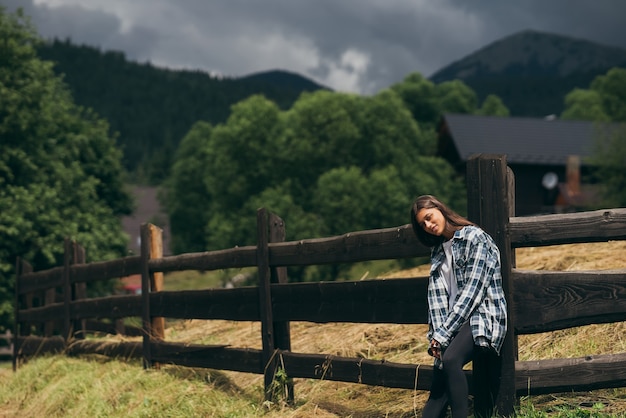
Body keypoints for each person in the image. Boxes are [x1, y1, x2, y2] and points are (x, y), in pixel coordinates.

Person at [410, 195, 507, 418]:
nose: (428, 225)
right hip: (451, 326)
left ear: (439, 208)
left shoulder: (475, 237)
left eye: (429, 217)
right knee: (437, 391)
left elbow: (473, 292)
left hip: (481, 317)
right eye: (423, 225)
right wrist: (436, 335)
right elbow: (437, 302)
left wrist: (443, 335)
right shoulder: (437, 253)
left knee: (451, 360)